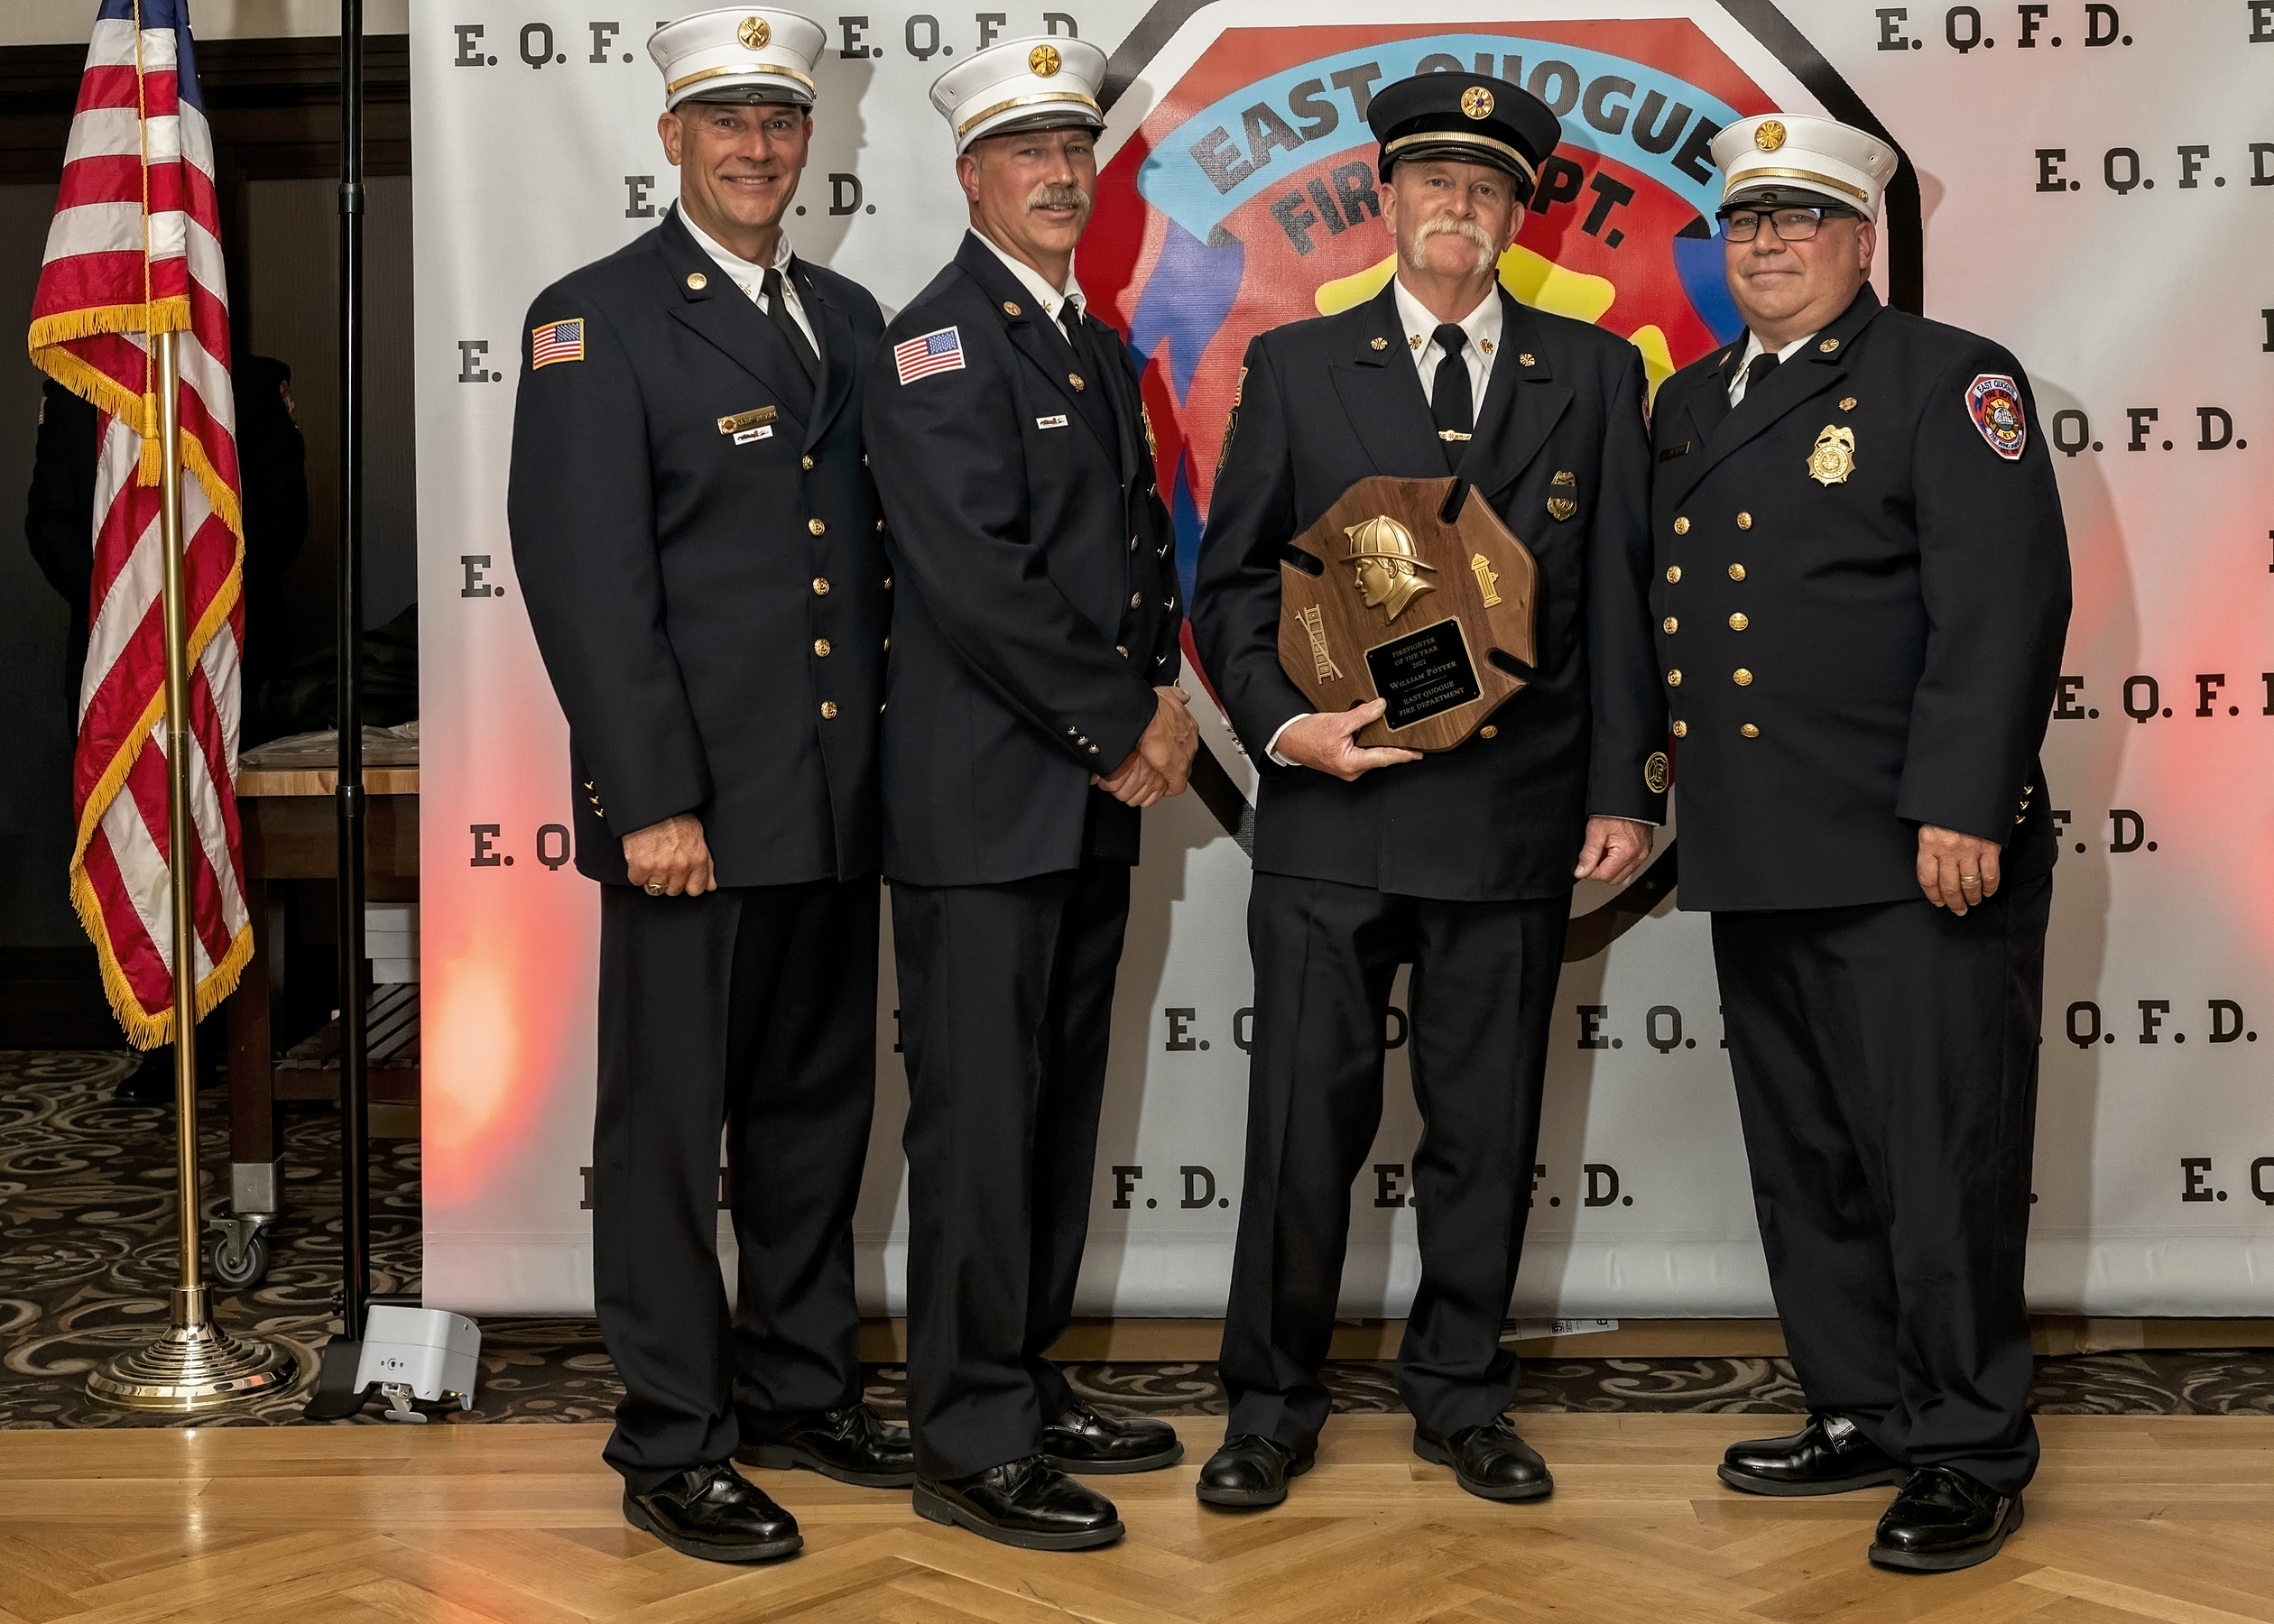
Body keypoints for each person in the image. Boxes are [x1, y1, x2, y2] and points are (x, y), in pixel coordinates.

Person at [1188, 71, 1663, 1510]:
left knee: (1484, 1133)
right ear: (1386, 200)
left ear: (1519, 214)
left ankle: (1461, 1394)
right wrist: (1284, 732)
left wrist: (1624, 789)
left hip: (1514, 817)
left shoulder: (1589, 378)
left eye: (1488, 188)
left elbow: (1624, 600)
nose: (1460, 207)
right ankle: (1269, 1404)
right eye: (1435, 182)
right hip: (1335, 815)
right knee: (1299, 1136)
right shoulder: (1294, 368)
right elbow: (1228, 589)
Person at [506, 5, 907, 1565]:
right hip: (696, 816)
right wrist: (647, 799)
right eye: (726, 121)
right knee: (674, 1136)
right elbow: (587, 584)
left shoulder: (856, 317)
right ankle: (674, 1434)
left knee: (816, 1113)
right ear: (669, 136)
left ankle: (800, 1383)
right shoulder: (593, 319)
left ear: (810, 139)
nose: (757, 149)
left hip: (836, 799)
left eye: (781, 121)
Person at [1649, 114, 2070, 1573]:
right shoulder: (1690, 402)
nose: (1765, 244)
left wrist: (1964, 800)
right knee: (1809, 1156)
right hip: (1757, 845)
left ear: (1860, 237)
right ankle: (1860, 1406)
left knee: (1938, 1157)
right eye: (1745, 222)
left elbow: (2002, 607)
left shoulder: (1950, 380)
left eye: (1799, 220)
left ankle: (1966, 1442)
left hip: (1913, 850)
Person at [861, 34, 1196, 1552]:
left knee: (1054, 1114)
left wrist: (1132, 732)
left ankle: (1024, 1372)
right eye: (1028, 155)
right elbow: (978, 581)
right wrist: (1127, 720)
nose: (1061, 176)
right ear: (971, 175)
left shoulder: (1091, 345)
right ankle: (968, 1433)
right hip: (988, 809)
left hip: (1080, 803)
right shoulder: (937, 344)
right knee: (983, 1123)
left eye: (1077, 153)